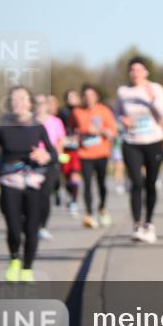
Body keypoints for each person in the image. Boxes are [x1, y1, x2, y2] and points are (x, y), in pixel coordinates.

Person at [0, 86, 57, 282]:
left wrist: (46, 156)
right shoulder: (2, 127)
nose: (19, 102)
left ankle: (27, 268)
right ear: (10, 103)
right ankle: (14, 258)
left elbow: (54, 155)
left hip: (34, 181)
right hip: (9, 181)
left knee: (32, 228)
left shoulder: (38, 127)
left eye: (23, 99)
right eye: (15, 99)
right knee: (14, 228)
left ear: (30, 103)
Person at [115, 56, 163, 244]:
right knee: (136, 182)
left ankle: (149, 223)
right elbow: (117, 114)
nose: (135, 73)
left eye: (139, 70)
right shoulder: (123, 91)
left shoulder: (156, 89)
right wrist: (122, 120)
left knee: (151, 183)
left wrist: (153, 99)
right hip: (131, 141)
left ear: (146, 72)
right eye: (132, 70)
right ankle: (137, 224)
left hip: (153, 140)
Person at [70, 84, 117, 228]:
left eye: (92, 95)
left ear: (96, 96)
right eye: (86, 95)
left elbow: (112, 132)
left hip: (101, 153)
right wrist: (77, 134)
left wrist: (99, 131)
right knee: (87, 184)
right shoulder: (77, 112)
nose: (89, 98)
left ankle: (102, 208)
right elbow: (72, 130)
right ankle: (89, 214)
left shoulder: (104, 111)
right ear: (83, 97)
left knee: (101, 184)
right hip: (84, 154)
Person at [35, 94, 66, 241]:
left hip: (50, 161)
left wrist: (54, 155)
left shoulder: (56, 122)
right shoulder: (29, 122)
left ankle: (42, 226)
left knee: (45, 194)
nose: (40, 106)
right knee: (33, 195)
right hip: (33, 162)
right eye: (37, 103)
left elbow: (60, 140)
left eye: (43, 103)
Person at [59, 89, 83, 218]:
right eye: (69, 97)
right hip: (65, 149)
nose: (71, 99)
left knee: (75, 174)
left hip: (77, 149)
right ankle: (70, 196)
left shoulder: (83, 111)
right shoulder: (62, 112)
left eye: (74, 96)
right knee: (66, 176)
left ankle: (74, 202)